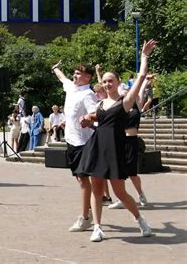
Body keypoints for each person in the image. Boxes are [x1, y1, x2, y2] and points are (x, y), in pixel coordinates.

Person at [76, 39, 156, 242]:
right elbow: (97, 118)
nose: (106, 84)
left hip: (114, 148)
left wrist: (144, 57)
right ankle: (98, 227)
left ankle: (140, 219)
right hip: (97, 147)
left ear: (118, 83)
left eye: (110, 81)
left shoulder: (126, 102)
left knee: (120, 192)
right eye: (104, 81)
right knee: (95, 188)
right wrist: (86, 120)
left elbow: (142, 77)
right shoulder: (100, 102)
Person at [51, 60, 98, 233]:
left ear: (88, 77)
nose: (75, 75)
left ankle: (85, 218)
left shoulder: (88, 94)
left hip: (84, 143)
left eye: (79, 73)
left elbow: (96, 113)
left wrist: (88, 119)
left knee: (84, 181)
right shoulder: (71, 87)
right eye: (75, 73)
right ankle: (91, 211)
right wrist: (56, 68)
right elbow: (62, 78)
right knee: (80, 179)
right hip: (71, 141)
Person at [108, 74, 155, 210]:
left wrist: (146, 81)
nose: (124, 94)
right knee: (119, 171)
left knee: (132, 172)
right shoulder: (120, 108)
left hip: (132, 141)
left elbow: (139, 89)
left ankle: (141, 194)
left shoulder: (137, 105)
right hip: (120, 140)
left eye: (126, 92)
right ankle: (121, 198)